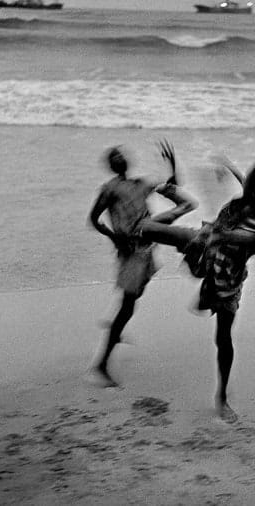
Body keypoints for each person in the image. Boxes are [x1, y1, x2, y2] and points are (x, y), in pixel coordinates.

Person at [139, 162, 255, 421]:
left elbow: (242, 238)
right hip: (206, 243)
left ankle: (222, 398)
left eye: (250, 183)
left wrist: (218, 235)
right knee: (145, 229)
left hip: (228, 276)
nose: (245, 184)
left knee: (223, 339)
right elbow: (243, 188)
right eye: (246, 181)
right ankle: (138, 255)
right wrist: (231, 169)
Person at [88, 140, 197, 386]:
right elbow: (93, 219)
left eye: (121, 154)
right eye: (114, 156)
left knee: (133, 298)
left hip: (145, 246)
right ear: (112, 165)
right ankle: (100, 365)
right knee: (128, 305)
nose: (120, 158)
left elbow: (172, 184)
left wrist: (172, 161)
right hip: (132, 249)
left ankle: (116, 324)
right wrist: (114, 236)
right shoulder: (109, 189)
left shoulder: (139, 183)